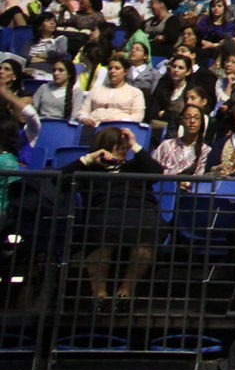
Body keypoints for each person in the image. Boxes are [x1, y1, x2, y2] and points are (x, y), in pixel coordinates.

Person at [65, 126, 162, 304]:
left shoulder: (135, 167)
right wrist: (90, 158)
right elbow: (59, 179)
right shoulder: (91, 169)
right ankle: (99, 295)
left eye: (125, 146)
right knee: (102, 238)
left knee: (145, 237)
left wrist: (135, 145)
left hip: (140, 211)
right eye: (118, 146)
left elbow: (157, 172)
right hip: (105, 212)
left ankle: (124, 293)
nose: (123, 150)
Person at [151, 103, 212, 174]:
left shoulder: (205, 151)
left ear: (201, 122)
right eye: (188, 117)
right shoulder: (166, 145)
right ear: (181, 120)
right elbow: (152, 168)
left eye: (197, 118)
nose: (192, 121)